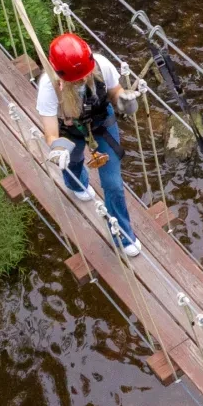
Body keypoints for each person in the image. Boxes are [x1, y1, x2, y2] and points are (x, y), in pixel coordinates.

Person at [38, 32, 142, 256]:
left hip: (101, 124)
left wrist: (124, 101)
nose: (83, 80)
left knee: (113, 183)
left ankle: (122, 234)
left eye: (84, 75)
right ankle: (76, 184)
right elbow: (50, 132)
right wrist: (57, 148)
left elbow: (114, 92)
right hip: (69, 129)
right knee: (73, 160)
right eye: (75, 79)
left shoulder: (101, 65)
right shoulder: (48, 86)